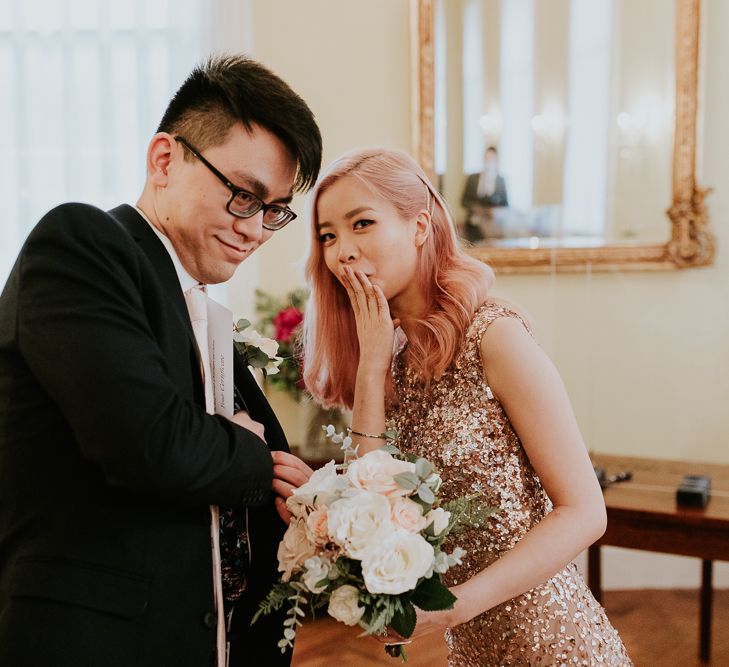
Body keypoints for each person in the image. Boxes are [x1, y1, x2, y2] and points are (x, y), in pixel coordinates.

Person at [0, 55, 319, 667]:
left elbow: (240, 471)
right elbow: (150, 442)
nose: (255, 230)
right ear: (165, 160)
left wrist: (291, 488)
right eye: (243, 196)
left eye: (274, 210)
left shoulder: (202, 308)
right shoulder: (82, 247)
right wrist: (249, 453)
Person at [302, 148, 632, 666]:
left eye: (361, 223)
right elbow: (371, 507)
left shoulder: (494, 336)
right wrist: (371, 368)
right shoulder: (389, 358)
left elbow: (585, 512)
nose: (343, 250)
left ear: (419, 225)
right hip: (472, 652)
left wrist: (452, 609)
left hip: (554, 645)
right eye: (328, 235)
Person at [461, 145, 508, 242]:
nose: (489, 161)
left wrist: (494, 211)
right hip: (473, 226)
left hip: (493, 228)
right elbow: (463, 201)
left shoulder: (501, 180)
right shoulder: (472, 178)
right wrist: (476, 209)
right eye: (487, 158)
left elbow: (506, 205)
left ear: (496, 161)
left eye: (491, 159)